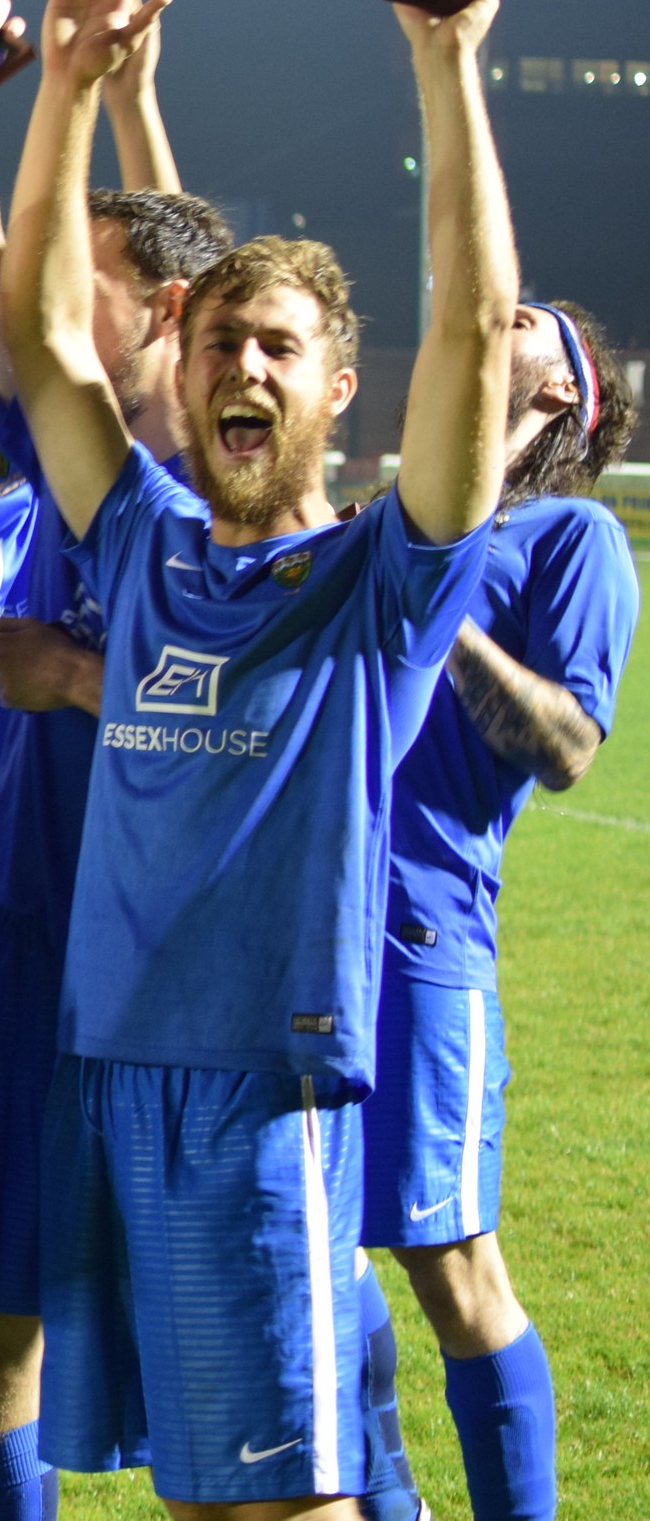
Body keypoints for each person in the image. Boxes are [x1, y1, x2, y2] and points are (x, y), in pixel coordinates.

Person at [2, 0, 514, 1518]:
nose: (241, 364)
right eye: (218, 337)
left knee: (277, 1500)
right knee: (236, 1480)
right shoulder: (144, 542)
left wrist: (446, 67)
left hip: (261, 1080)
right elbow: (35, 328)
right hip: (114, 1062)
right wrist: (65, 90)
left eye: (278, 346)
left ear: (336, 387)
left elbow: (478, 333)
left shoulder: (381, 580)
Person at [0, 168, 229, 1521]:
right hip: (21, 926)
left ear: (162, 310)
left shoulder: (240, 484)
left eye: (77, 282)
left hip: (178, 970)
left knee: (215, 1345)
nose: (37, 305)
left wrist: (84, 677)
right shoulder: (62, 443)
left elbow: (282, 717)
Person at [367, 296, 636, 1521]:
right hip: (289, 926)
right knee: (310, 1249)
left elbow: (570, 744)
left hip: (420, 936)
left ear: (565, 391)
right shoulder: (404, 513)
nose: (493, 308)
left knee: (451, 1260)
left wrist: (447, 626)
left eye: (524, 314)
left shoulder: (575, 533)